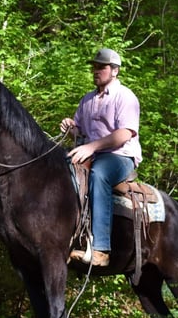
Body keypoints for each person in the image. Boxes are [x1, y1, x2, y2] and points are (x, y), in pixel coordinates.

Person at [60, 48, 142, 267]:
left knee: (99, 174)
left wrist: (92, 146)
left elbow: (124, 134)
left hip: (119, 156)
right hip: (92, 153)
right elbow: (82, 132)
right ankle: (68, 236)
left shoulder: (125, 97)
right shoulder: (87, 100)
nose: (96, 70)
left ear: (114, 71)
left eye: (101, 67)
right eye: (94, 66)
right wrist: (72, 128)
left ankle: (101, 249)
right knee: (59, 172)